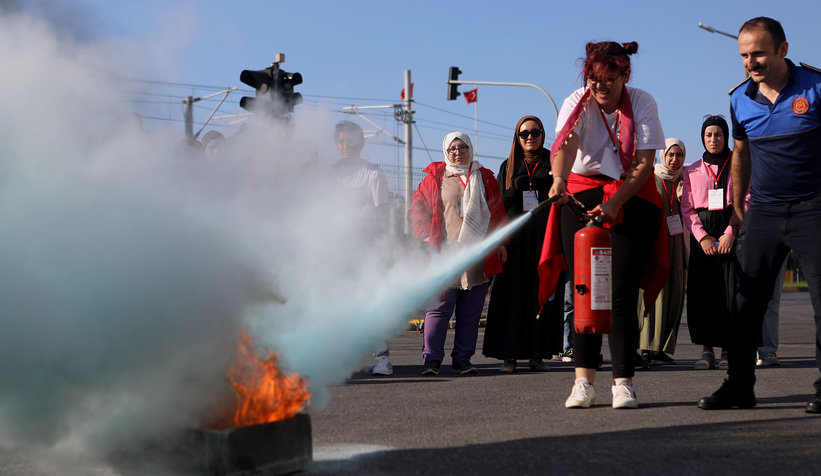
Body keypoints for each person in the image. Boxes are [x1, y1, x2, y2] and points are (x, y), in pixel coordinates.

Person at [698, 17, 821, 413]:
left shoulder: (816, 86)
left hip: (813, 209)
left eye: (759, 54)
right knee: (744, 303)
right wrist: (738, 205)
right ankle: (739, 387)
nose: (751, 62)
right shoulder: (739, 99)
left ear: (783, 49)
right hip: (764, 212)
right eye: (745, 55)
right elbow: (741, 152)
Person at [539, 41, 667, 409]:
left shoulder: (642, 101)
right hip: (579, 193)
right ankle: (583, 382)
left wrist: (614, 204)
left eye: (609, 80)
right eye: (594, 80)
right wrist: (559, 180)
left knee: (620, 291)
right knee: (584, 289)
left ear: (626, 76)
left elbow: (644, 163)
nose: (601, 88)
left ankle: (623, 382)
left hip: (629, 193)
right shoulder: (576, 100)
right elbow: (566, 143)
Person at [409, 132, 508, 375]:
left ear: (470, 149)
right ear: (445, 151)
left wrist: (502, 242)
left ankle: (462, 359)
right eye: (452, 148)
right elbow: (417, 208)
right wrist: (423, 235)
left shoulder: (484, 177)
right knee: (439, 309)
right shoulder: (435, 177)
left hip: (477, 256)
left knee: (470, 312)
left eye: (463, 147)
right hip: (443, 255)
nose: (457, 152)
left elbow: (497, 212)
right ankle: (431, 360)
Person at [483, 116, 555, 373]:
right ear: (517, 137)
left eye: (535, 132)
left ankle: (538, 355)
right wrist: (501, 242)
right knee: (511, 298)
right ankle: (509, 356)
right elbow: (499, 207)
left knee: (541, 295)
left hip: (543, 239)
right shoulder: (509, 165)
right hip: (514, 242)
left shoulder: (553, 161)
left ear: (543, 134)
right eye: (524, 134)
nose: (530, 137)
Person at [330, 121, 393, 376]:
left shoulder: (373, 174)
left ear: (362, 142)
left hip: (367, 249)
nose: (346, 146)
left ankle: (383, 358)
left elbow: (383, 214)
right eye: (341, 141)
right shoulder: (330, 174)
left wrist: (381, 250)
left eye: (351, 140)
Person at [680, 116, 739, 371]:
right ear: (702, 138)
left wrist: (729, 233)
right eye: (708, 135)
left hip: (729, 230)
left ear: (726, 137)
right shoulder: (692, 170)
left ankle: (728, 349)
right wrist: (702, 237)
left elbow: (745, 201)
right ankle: (707, 350)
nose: (713, 139)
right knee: (703, 293)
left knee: (728, 292)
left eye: (718, 134)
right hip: (702, 235)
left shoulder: (738, 164)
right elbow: (687, 208)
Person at [638, 138, 687, 366]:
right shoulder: (652, 176)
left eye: (679, 155)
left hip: (676, 245)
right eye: (670, 155)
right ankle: (647, 347)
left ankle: (661, 349)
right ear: (662, 156)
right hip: (654, 243)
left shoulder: (684, 182)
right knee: (654, 294)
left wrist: (681, 199)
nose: (674, 159)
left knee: (673, 293)